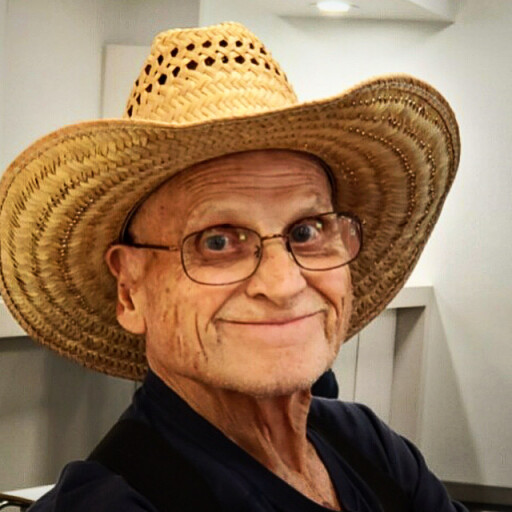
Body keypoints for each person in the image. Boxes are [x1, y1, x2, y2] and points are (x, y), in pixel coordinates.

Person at [0, 21, 465, 511]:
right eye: (217, 241)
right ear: (130, 290)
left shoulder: (368, 446)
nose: (283, 284)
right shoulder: (117, 502)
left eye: (306, 231)